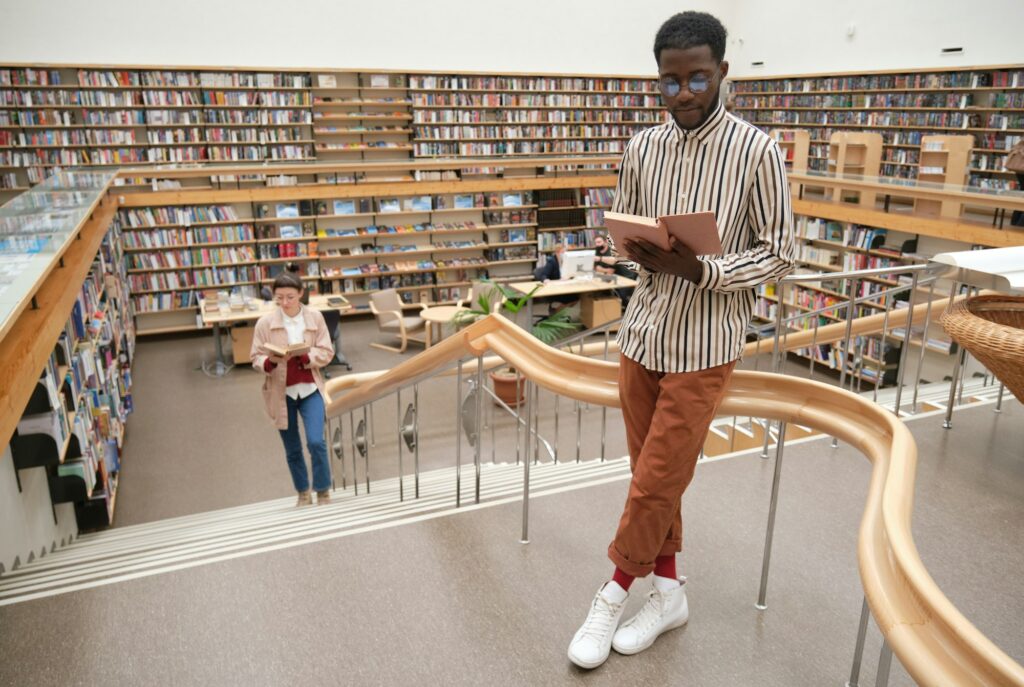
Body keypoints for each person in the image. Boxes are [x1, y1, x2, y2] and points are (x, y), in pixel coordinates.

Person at [567, 11, 795, 670]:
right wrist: (640, 250)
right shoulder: (641, 148)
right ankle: (670, 590)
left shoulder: (757, 151)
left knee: (655, 479)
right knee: (651, 480)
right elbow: (632, 229)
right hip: (642, 334)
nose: (684, 93)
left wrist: (705, 269)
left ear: (723, 71)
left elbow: (780, 253)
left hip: (705, 344)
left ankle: (613, 590)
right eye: (669, 82)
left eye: (698, 77)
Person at [251, 269, 336, 507]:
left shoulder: (315, 318)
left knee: (316, 442)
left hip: (310, 389)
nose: (285, 302)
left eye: (290, 296)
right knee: (292, 448)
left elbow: (327, 351)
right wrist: (270, 361)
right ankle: (302, 492)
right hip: (281, 393)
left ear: (301, 293)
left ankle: (323, 489)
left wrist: (306, 356)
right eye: (279, 298)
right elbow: (255, 356)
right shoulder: (265, 323)